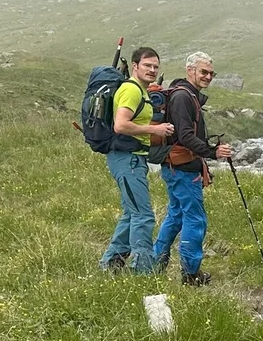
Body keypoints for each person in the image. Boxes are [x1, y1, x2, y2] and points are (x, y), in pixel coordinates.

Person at [151, 51, 233, 285]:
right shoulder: (184, 97)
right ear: (190, 71)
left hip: (175, 167)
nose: (208, 76)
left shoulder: (185, 95)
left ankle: (156, 266)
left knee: (176, 216)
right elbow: (186, 136)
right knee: (195, 220)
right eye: (203, 72)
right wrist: (212, 152)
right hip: (184, 168)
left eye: (211, 73)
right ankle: (190, 274)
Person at [100, 47, 175, 273]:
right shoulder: (131, 90)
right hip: (127, 159)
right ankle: (143, 269)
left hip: (133, 159)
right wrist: (156, 129)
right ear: (135, 66)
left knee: (131, 213)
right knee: (143, 215)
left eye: (155, 67)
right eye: (147, 66)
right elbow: (120, 125)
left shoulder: (140, 90)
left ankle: (110, 263)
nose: (152, 70)